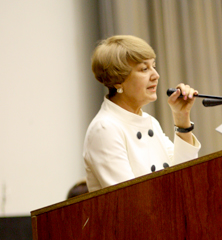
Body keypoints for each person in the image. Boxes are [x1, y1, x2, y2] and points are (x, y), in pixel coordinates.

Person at [84, 35, 202, 191]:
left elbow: (185, 177)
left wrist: (181, 117)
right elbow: (131, 198)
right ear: (117, 80)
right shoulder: (105, 128)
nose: (156, 75)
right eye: (144, 69)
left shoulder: (149, 121)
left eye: (153, 66)